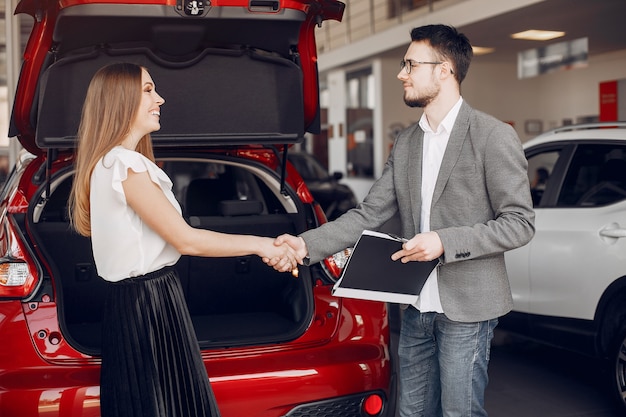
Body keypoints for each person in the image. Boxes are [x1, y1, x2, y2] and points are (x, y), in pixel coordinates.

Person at [276, 24, 535, 417]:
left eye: (410, 64)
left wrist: (444, 241)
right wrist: (305, 245)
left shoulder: (492, 135)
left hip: (467, 309)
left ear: (444, 70)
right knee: (411, 412)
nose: (402, 73)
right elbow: (369, 214)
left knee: (458, 413)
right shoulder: (408, 142)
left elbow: (519, 222)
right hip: (414, 306)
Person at [69, 62, 299, 417]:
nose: (159, 99)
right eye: (148, 90)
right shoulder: (125, 165)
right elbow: (186, 240)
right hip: (148, 304)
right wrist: (263, 244)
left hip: (141, 302)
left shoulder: (110, 163)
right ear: (119, 100)